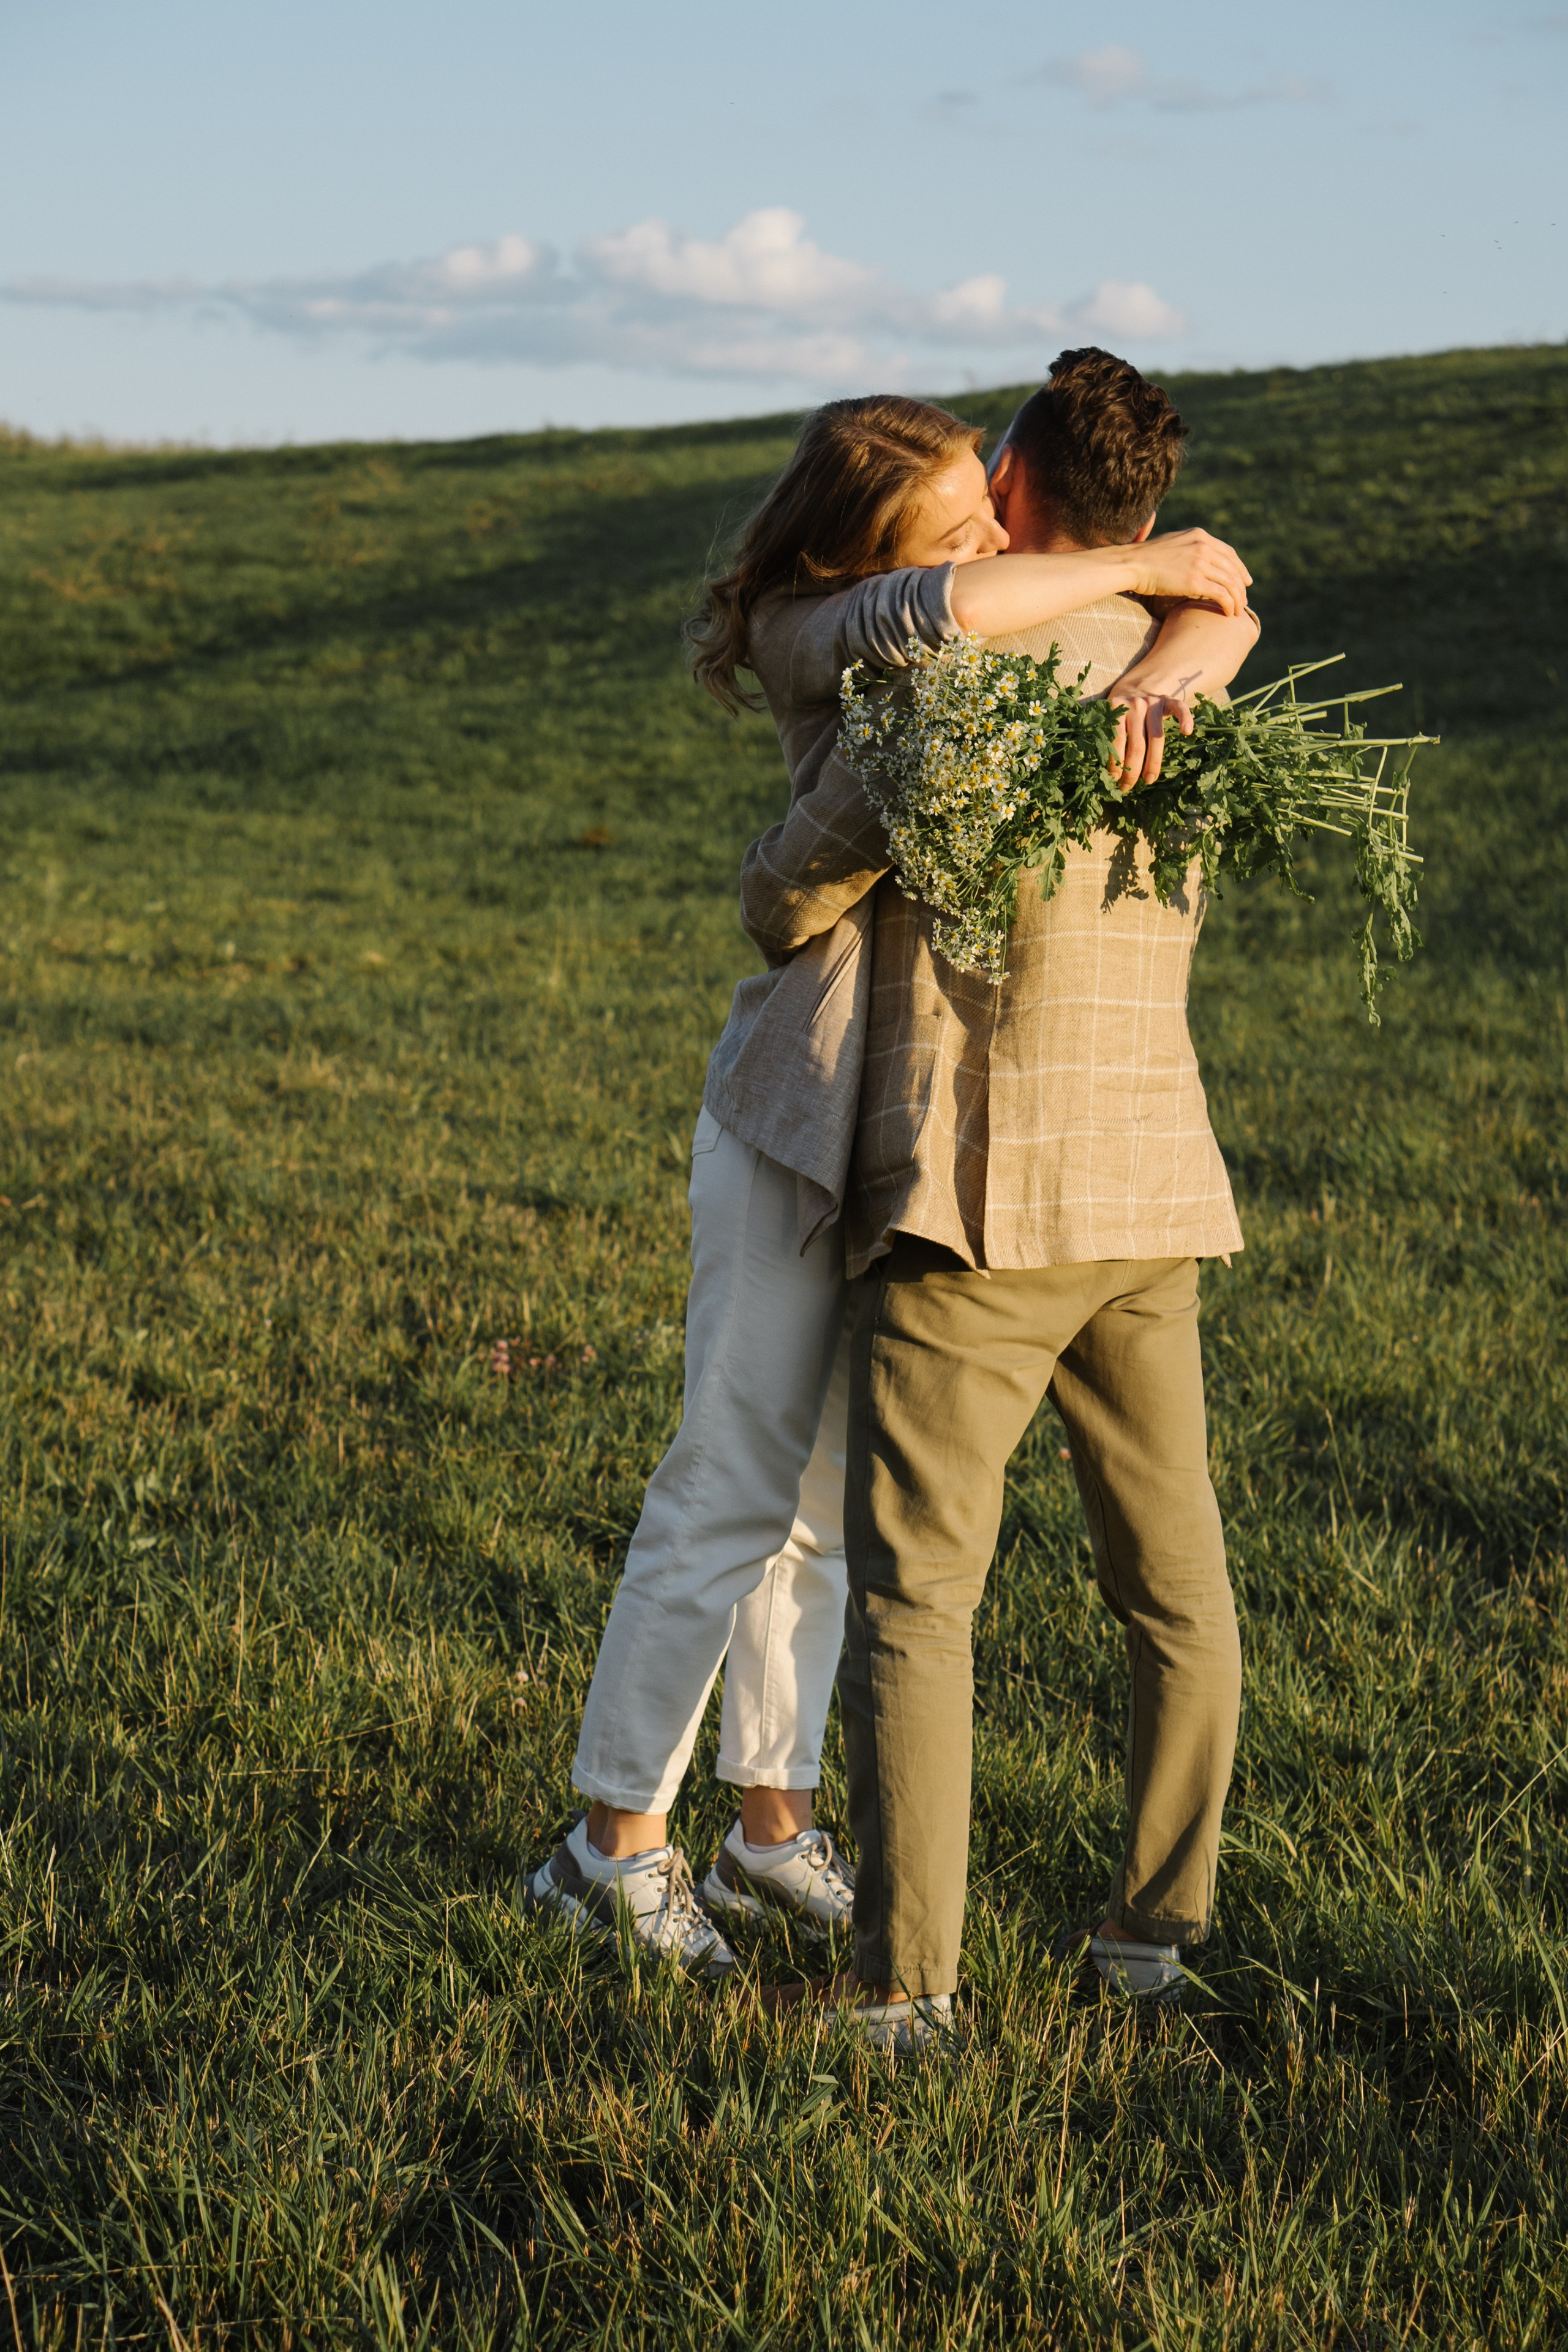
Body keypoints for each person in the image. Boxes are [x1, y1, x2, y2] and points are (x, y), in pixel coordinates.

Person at [526, 386, 1255, 1977]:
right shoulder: (827, 628)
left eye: (993, 506)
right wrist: (1163, 576)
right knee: (731, 1479)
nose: (992, 542)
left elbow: (1203, 611)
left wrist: (1192, 635)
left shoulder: (986, 626)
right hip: (795, 1110)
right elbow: (948, 633)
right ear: (869, 551)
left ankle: (770, 1827)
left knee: (822, 1511)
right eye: (955, 527)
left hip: (896, 1135)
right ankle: (609, 1845)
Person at [750, 349, 1256, 2048]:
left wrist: (787, 871)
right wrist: (1192, 625)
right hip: (1153, 1191)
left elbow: (791, 888)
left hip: (980, 1201)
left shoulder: (948, 678)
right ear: (1145, 514)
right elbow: (1229, 609)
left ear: (1017, 495)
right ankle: (1154, 1937)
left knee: (919, 1601)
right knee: (1175, 1586)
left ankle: (908, 1988)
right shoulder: (1192, 669)